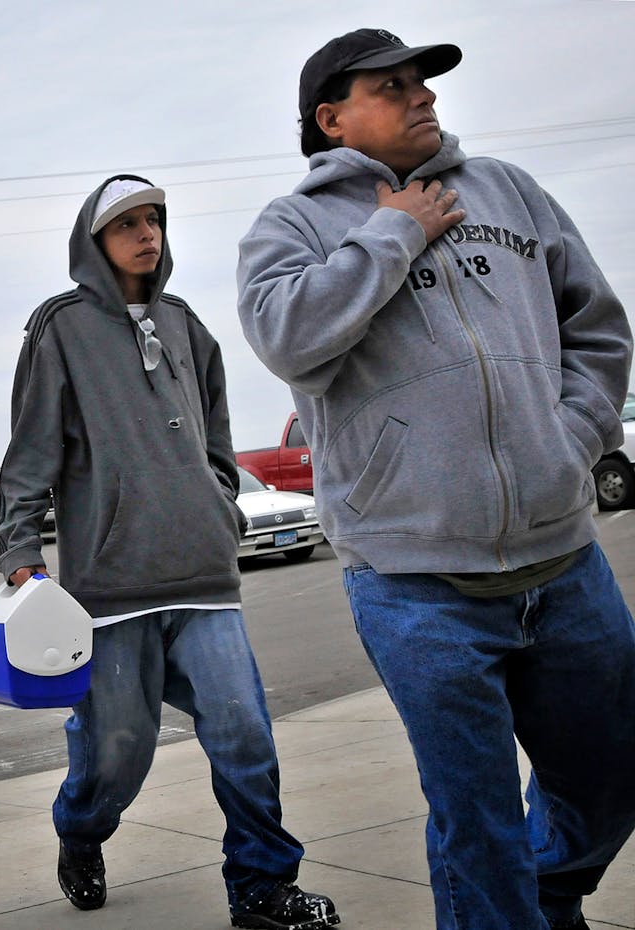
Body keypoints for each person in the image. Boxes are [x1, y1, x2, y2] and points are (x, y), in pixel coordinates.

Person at [236, 28, 635, 930]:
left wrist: (569, 439)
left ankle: (549, 895)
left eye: (423, 82)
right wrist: (392, 233)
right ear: (332, 117)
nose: (422, 95)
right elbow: (288, 338)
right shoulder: (292, 227)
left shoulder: (508, 192)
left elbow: (599, 332)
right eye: (393, 84)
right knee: (478, 822)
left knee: (613, 775)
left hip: (565, 564)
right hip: (418, 587)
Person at [0, 175, 339, 928]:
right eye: (127, 224)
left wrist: (220, 505)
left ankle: (260, 887)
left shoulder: (186, 323)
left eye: (153, 220)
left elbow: (216, 438)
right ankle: (81, 833)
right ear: (94, 241)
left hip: (205, 579)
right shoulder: (61, 327)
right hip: (113, 588)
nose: (146, 234)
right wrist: (20, 552)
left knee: (244, 729)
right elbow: (29, 455)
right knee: (119, 752)